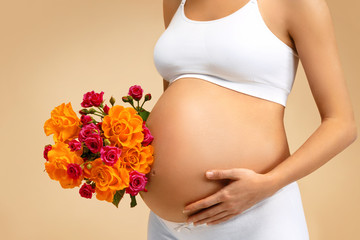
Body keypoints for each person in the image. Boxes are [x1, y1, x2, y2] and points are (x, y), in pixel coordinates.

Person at [140, 0, 357, 239]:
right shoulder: (176, 2)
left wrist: (270, 183)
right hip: (165, 225)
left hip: (254, 214)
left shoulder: (297, 4)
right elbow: (175, 95)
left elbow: (341, 124)